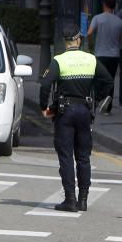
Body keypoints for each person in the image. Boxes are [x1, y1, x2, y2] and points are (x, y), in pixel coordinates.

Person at [40, 23, 113, 211]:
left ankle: (70, 200)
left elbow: (45, 84)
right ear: (79, 40)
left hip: (65, 112)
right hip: (85, 111)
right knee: (83, 157)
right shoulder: (91, 59)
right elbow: (108, 81)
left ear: (66, 42)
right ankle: (83, 200)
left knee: (66, 156)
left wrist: (44, 108)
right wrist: (95, 102)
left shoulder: (59, 60)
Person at [86, 0, 122, 114]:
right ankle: (107, 108)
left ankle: (96, 102)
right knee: (110, 80)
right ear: (114, 6)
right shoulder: (119, 21)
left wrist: (91, 46)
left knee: (98, 79)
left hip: (100, 54)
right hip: (114, 56)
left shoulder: (97, 18)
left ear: (104, 5)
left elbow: (89, 33)